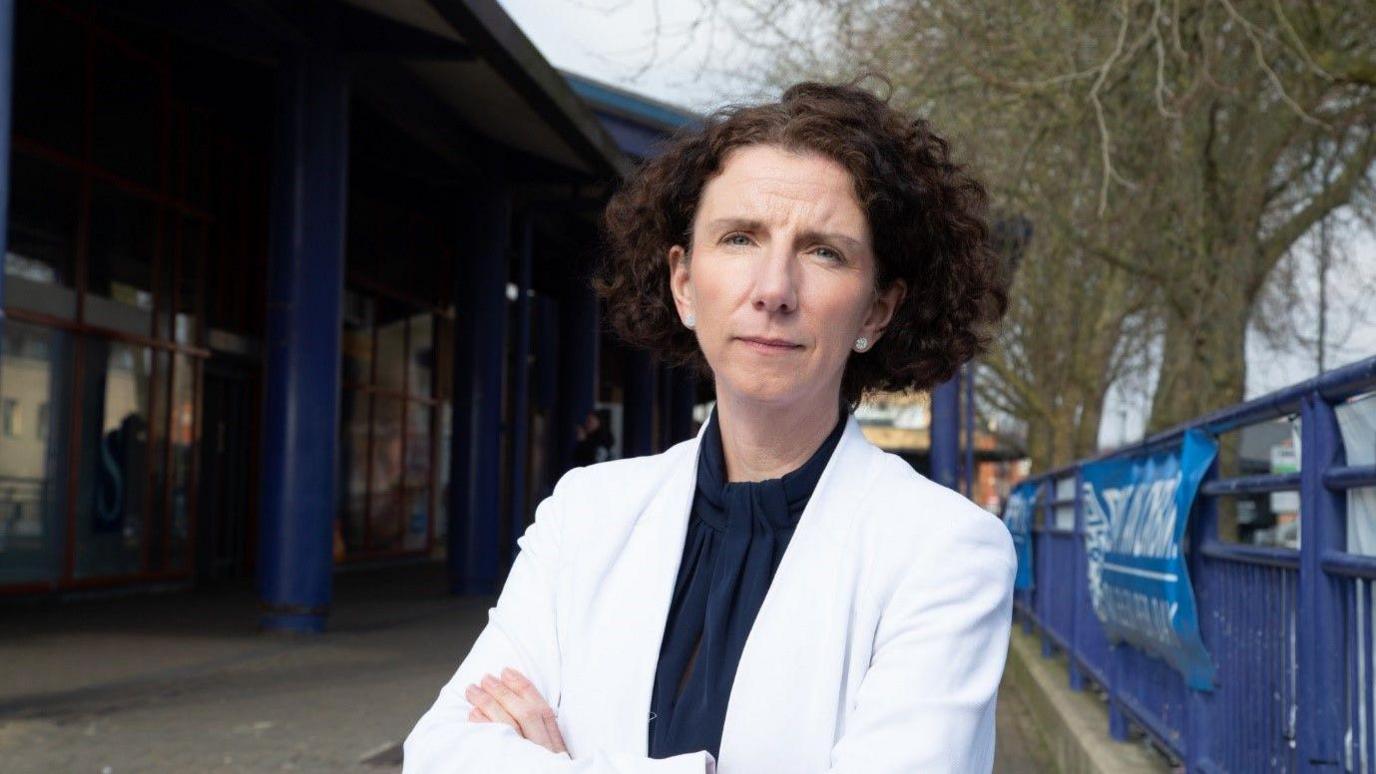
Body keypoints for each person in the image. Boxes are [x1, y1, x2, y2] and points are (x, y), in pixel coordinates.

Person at [405, 78, 1014, 773]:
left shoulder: (945, 553)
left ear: (876, 310)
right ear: (685, 284)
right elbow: (440, 753)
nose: (774, 290)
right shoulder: (586, 512)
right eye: (739, 238)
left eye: (825, 252)